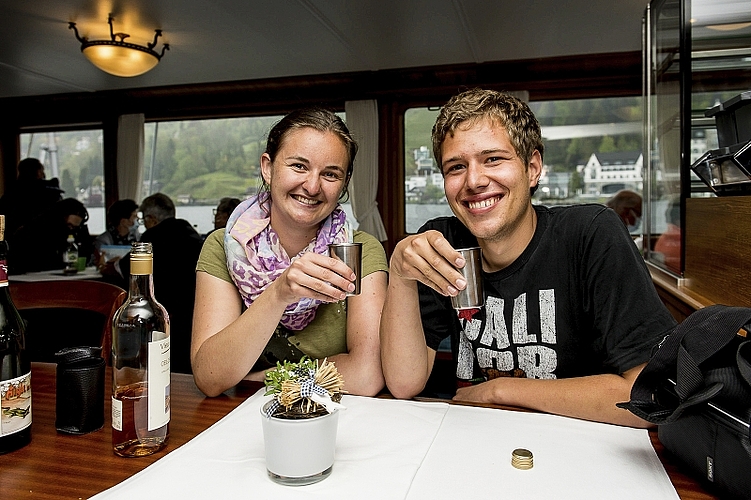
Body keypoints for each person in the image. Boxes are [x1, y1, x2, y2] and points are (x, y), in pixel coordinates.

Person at [379, 88, 677, 427]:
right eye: (456, 167)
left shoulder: (590, 234)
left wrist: (501, 390)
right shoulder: (443, 245)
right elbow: (403, 385)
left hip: (582, 445)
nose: (474, 181)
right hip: (477, 442)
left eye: (493, 159)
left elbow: (652, 397)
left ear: (532, 168)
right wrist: (400, 274)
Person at [191, 107, 388, 398]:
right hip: (248, 419)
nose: (311, 186)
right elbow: (210, 377)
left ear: (345, 183)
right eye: (298, 166)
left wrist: (264, 377)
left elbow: (366, 376)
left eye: (331, 174)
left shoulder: (360, 250)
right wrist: (279, 292)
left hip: (332, 419)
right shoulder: (223, 246)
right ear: (268, 168)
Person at [116, 193, 204, 374]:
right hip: (195, 315)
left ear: (152, 219)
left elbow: (126, 269)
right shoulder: (192, 234)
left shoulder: (152, 237)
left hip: (162, 318)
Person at [8, 197, 90, 274]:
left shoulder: (70, 232)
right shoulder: (36, 231)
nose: (71, 230)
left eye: (75, 228)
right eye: (69, 226)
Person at [0, 158, 63, 237]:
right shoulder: (50, 194)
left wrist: (2, 240)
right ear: (39, 172)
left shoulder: (10, 195)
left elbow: (2, 220)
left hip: (15, 242)